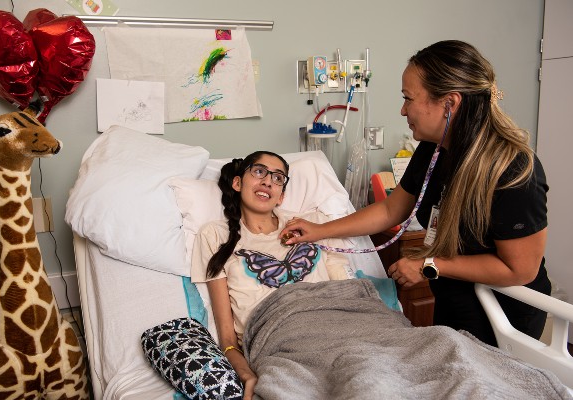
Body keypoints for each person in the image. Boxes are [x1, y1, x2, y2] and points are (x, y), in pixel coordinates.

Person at [280, 40, 551, 347]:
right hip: (455, 302)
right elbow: (389, 210)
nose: (402, 109)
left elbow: (520, 268)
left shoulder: (512, 169)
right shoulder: (433, 150)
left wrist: (431, 265)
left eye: (408, 99)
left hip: (506, 317)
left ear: (450, 103)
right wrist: (318, 230)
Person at [191, 151, 351, 399]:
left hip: (337, 326)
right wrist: (245, 372)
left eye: (278, 178)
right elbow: (227, 334)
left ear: (282, 196)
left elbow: (347, 292)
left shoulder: (312, 224)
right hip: (279, 339)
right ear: (237, 183)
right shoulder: (215, 236)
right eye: (259, 171)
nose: (268, 181)